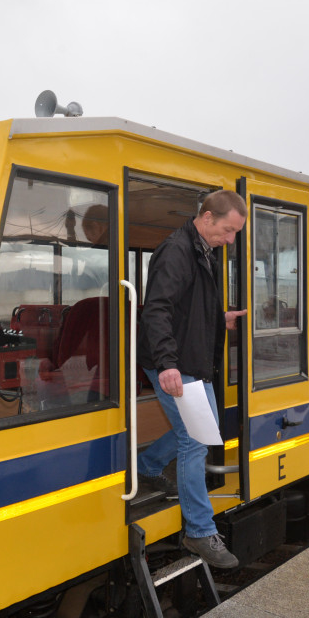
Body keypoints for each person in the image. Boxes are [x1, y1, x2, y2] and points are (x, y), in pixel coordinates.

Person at [136, 189, 247, 569]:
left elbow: (192, 307)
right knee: (196, 437)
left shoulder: (203, 249)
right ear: (207, 217)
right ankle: (199, 531)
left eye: (235, 233)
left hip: (192, 358)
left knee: (204, 427)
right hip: (174, 361)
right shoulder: (177, 250)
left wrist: (221, 320)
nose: (230, 239)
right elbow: (158, 310)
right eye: (228, 230)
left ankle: (148, 465)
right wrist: (166, 364)